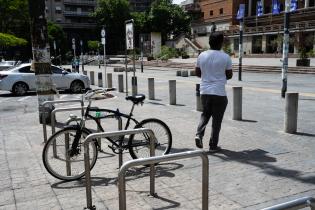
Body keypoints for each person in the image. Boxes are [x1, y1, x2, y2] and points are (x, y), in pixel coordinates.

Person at [195, 31, 233, 152]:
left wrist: (207, 75)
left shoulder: (201, 55)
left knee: (205, 114)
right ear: (221, 43)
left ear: (209, 42)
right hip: (219, 92)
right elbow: (229, 75)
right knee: (217, 120)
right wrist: (219, 76)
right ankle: (213, 145)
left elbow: (197, 73)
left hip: (204, 91)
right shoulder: (226, 57)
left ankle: (199, 134)